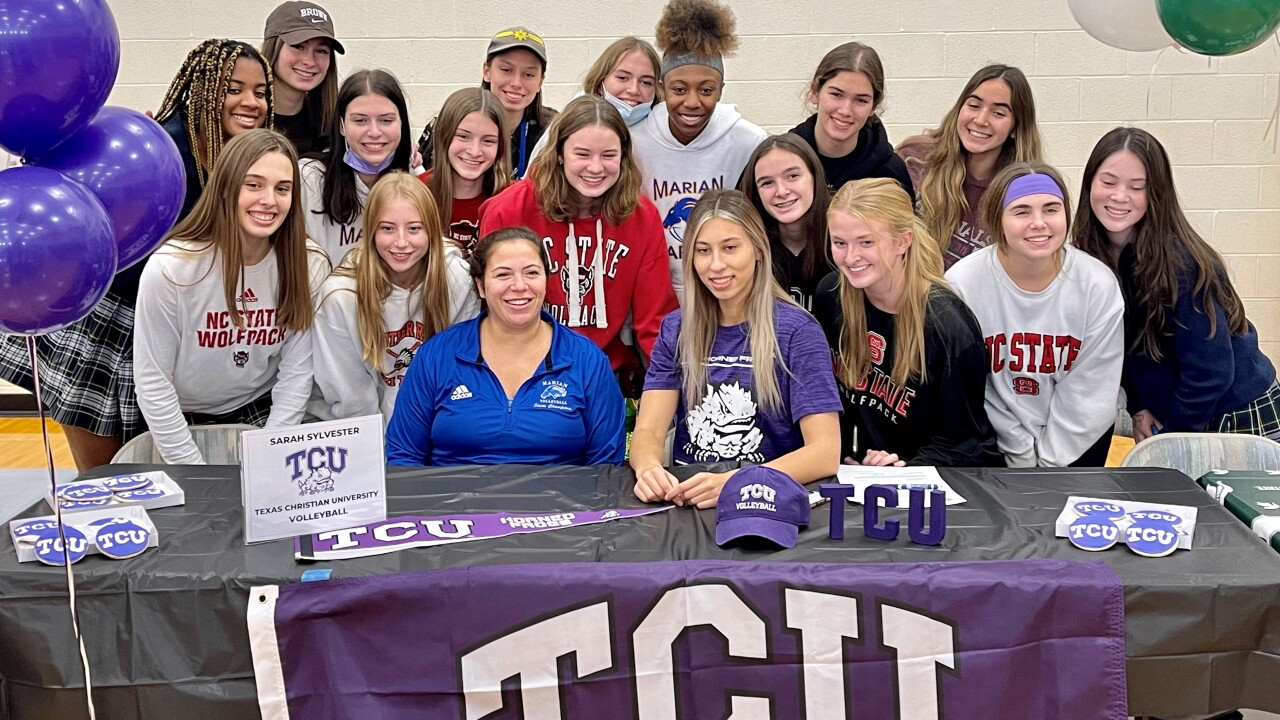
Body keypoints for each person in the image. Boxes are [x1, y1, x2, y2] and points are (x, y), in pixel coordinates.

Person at [0, 38, 272, 470]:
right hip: (109, 322)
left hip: (178, 326)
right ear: (200, 88)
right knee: (105, 475)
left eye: (259, 92)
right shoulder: (162, 149)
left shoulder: (245, 158)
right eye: (233, 87)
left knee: (159, 463)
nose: (250, 102)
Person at [629, 190, 842, 508]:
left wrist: (739, 482)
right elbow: (647, 431)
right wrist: (648, 468)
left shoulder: (798, 332)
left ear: (757, 249)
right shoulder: (676, 329)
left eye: (730, 248)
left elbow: (825, 453)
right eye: (703, 251)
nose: (716, 265)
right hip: (691, 496)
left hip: (765, 500)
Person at [133, 129, 332, 465]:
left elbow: (297, 373)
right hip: (178, 418)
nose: (269, 200)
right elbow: (153, 382)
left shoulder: (308, 264)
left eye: (282, 189)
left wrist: (270, 455)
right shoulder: (171, 268)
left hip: (260, 409)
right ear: (225, 188)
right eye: (253, 185)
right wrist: (193, 470)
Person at [1075, 127, 1279, 441]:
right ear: (1090, 182)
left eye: (1137, 186)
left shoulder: (1184, 265)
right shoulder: (1088, 257)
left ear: (1156, 193)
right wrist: (1139, 406)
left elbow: (1210, 373)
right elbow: (1125, 349)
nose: (1119, 196)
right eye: (1108, 181)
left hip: (1236, 413)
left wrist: (1174, 440)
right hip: (1176, 413)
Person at [385, 227, 625, 466]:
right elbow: (404, 456)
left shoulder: (587, 360)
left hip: (560, 503)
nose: (519, 286)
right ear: (480, 286)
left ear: (546, 281)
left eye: (531, 273)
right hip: (453, 502)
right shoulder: (436, 356)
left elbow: (606, 466)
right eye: (503, 275)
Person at [479, 95, 677, 372]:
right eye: (582, 154)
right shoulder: (509, 210)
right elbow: (491, 312)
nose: (595, 168)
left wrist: (674, 396)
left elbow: (655, 321)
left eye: (608, 155)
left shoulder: (641, 216)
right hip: (522, 371)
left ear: (623, 155)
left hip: (604, 372)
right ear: (559, 153)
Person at [811, 178, 1000, 467]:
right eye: (840, 243)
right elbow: (835, 401)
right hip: (872, 472)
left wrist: (904, 468)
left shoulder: (947, 324)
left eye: (866, 242)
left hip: (937, 479)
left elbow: (964, 443)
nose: (851, 257)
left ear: (903, 241)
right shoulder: (831, 295)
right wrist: (843, 457)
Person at [946, 162, 1123, 467]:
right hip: (992, 443)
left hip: (1078, 445)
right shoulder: (963, 283)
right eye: (1022, 211)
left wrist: (1048, 466)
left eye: (1052, 209)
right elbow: (976, 389)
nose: (1039, 223)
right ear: (997, 219)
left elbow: (1090, 394)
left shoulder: (1096, 284)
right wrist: (1021, 458)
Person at [312, 173, 479, 422]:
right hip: (363, 428)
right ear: (370, 232)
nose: (401, 242)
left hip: (431, 421)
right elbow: (353, 399)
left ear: (432, 230)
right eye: (387, 228)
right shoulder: (341, 296)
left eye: (414, 228)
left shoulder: (457, 279)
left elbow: (459, 371)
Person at [632, 0, 768, 300]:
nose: (692, 102)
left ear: (721, 89)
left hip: (725, 294)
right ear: (661, 87)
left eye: (706, 90)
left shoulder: (749, 142)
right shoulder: (634, 141)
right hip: (654, 296)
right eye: (679, 89)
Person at [897, 65, 1043, 270]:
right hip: (905, 294)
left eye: (998, 113)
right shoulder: (914, 158)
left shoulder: (1024, 189)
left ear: (1016, 128)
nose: (981, 120)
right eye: (974, 106)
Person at [301, 69, 414, 265]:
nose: (374, 132)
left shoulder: (415, 182)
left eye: (386, 120)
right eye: (360, 120)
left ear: (402, 124)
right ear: (342, 126)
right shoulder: (309, 178)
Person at [416, 26, 557, 180]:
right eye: (506, 69)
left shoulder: (553, 130)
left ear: (540, 82)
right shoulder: (450, 121)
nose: (516, 83)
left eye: (528, 74)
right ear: (486, 72)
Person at [788, 42, 914, 199]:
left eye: (861, 100)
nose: (845, 111)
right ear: (815, 92)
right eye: (836, 94)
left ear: (873, 107)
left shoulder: (889, 175)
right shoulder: (781, 160)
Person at [527, 36, 662, 160]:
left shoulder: (664, 133)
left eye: (646, 82)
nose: (633, 90)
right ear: (600, 81)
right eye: (622, 78)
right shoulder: (568, 125)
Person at [738, 134, 832, 311]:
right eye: (767, 183)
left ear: (814, 176)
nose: (781, 191)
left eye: (793, 176)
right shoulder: (750, 247)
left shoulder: (844, 240)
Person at [420, 88, 511, 258]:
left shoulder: (513, 198)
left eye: (488, 141)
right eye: (463, 136)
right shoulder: (416, 193)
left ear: (501, 146)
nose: (475, 151)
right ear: (444, 137)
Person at [261, 1, 343, 156]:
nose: (309, 61)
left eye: (321, 50)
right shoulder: (246, 117)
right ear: (273, 47)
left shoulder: (336, 125)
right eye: (298, 46)